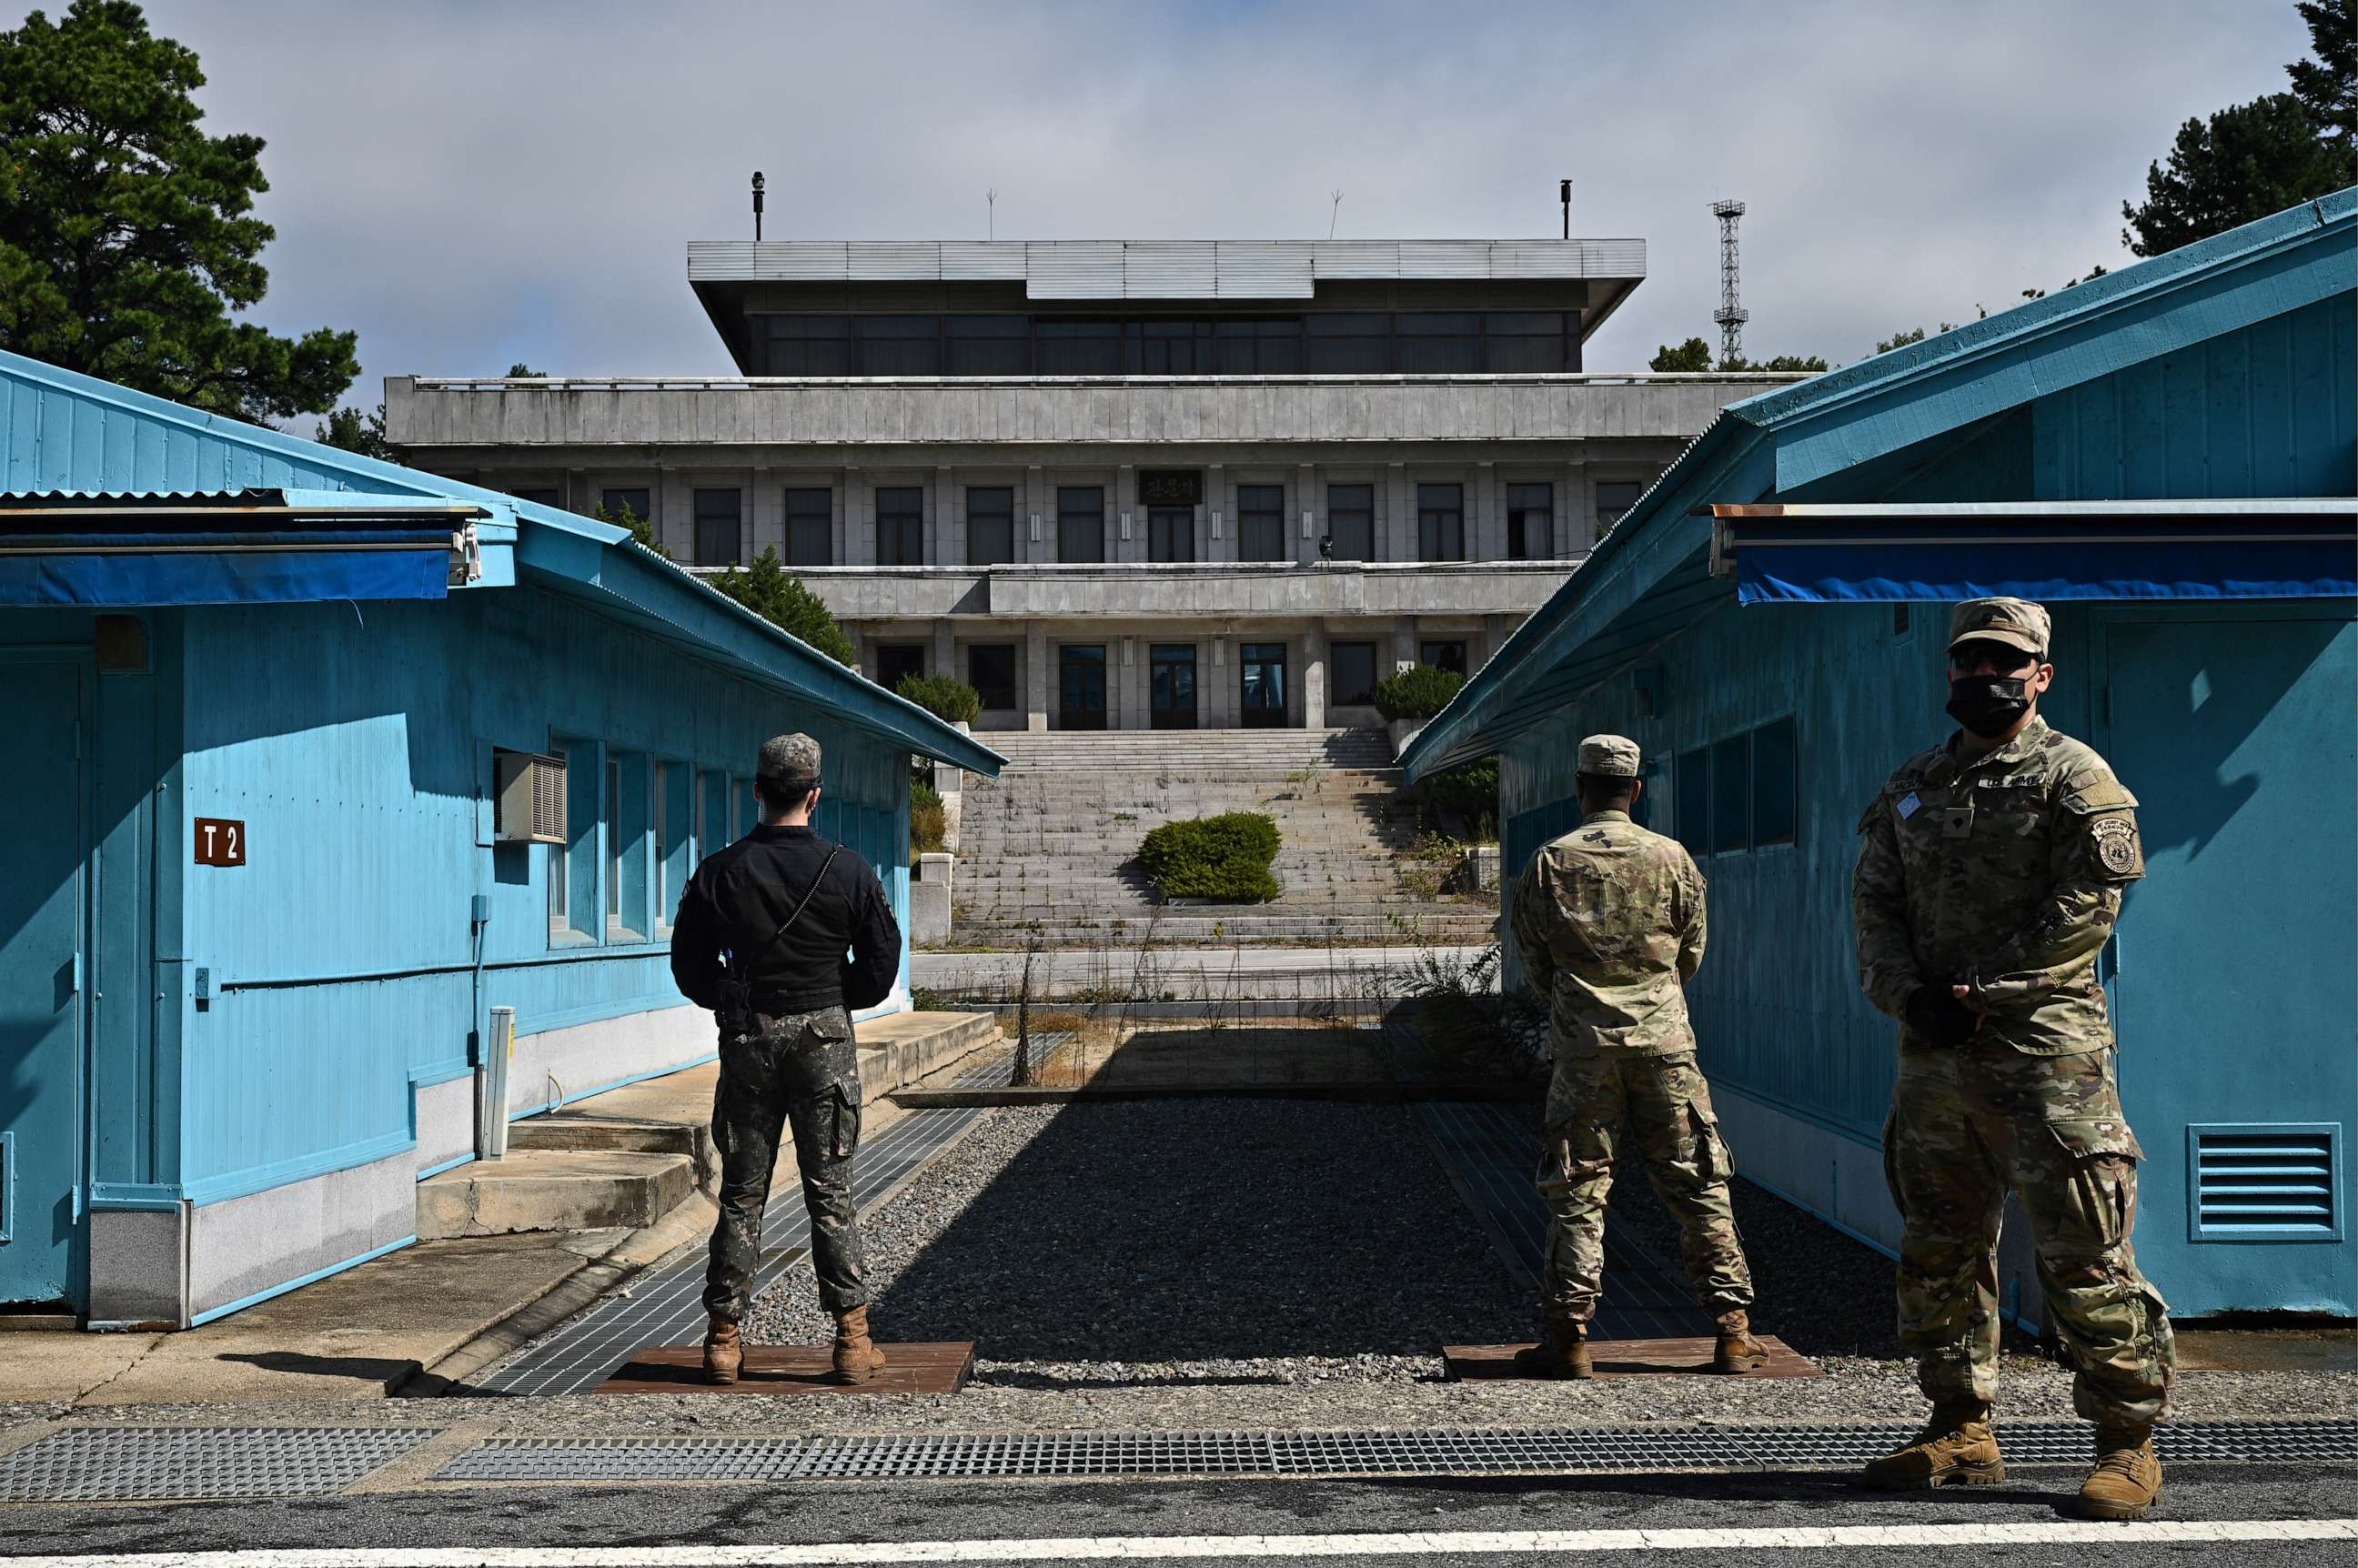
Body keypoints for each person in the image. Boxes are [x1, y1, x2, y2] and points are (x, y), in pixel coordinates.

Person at [1853, 598, 2173, 1520]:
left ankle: (2126, 1442)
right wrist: (1907, 994)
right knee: (1940, 1245)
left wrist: (1983, 991)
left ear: (2041, 673)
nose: (1982, 677)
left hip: (2046, 1054)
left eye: (2004, 662)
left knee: (2083, 1248)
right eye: (1968, 663)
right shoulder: (1915, 783)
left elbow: (2088, 909)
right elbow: (1874, 901)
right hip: (1935, 1059)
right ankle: (1959, 1426)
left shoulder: (2077, 777)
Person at [1507, 733, 1768, 1379]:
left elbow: (1535, 959)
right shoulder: (1672, 858)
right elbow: (1692, 953)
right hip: (1664, 1044)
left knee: (1578, 1188)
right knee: (1698, 1183)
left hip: (1584, 1049)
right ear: (1637, 790)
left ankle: (1569, 1337)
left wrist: (1577, 1002)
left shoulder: (1548, 862)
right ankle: (1733, 1333)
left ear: (1579, 788)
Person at [669, 732, 902, 1386]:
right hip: (824, 1040)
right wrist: (829, 1001)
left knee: (742, 1192)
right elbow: (881, 967)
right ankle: (853, 1342)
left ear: (759, 791)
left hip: (748, 1040)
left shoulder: (720, 871)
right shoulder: (849, 870)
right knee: (831, 1192)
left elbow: (688, 965)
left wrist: (732, 999)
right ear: (816, 795)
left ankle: (722, 1340)